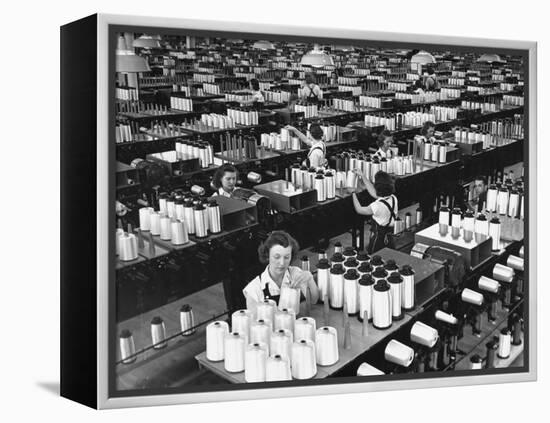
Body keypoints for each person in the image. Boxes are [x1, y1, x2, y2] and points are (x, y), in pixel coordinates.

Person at [242, 231, 319, 311]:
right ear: (267, 255)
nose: (282, 263)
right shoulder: (254, 289)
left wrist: (310, 279)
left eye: (286, 257)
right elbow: (254, 322)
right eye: (276, 257)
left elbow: (313, 300)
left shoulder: (294, 273)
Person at [351, 170, 398, 254]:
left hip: (378, 241)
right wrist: (363, 176)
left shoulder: (376, 206)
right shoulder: (393, 198)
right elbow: (374, 193)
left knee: (374, 260)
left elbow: (359, 209)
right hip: (390, 238)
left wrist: (353, 193)